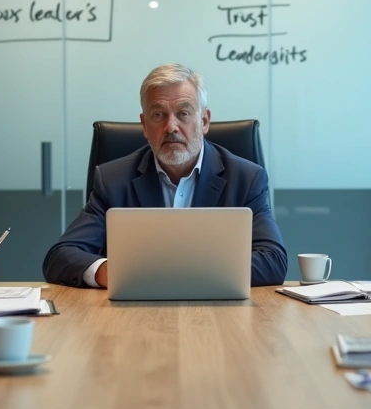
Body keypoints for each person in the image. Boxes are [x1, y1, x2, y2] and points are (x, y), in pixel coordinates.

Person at [43, 64, 287, 287]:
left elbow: (273, 261)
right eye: (158, 115)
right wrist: (106, 271)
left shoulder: (246, 178)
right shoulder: (113, 180)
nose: (171, 127)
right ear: (145, 125)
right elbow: (60, 256)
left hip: (219, 313)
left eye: (183, 113)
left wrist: (182, 273)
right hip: (133, 316)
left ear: (204, 121)